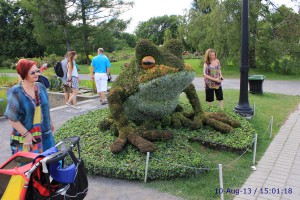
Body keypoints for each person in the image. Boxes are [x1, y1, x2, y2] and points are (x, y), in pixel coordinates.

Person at [4, 59, 55, 154]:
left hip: (46, 135)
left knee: (49, 163)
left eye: (37, 71)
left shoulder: (41, 87)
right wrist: (26, 134)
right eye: (33, 72)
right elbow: (12, 118)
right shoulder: (16, 92)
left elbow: (45, 108)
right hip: (27, 140)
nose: (37, 74)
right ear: (24, 74)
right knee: (29, 167)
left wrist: (50, 123)